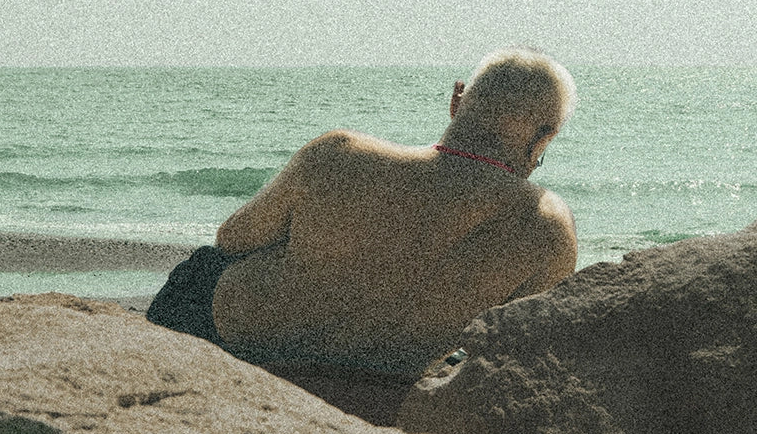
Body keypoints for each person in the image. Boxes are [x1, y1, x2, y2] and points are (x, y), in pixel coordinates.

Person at [147, 48, 578, 377]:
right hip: (387, 371)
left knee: (208, 262)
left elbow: (233, 238)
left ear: (457, 99)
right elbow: (522, 343)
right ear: (547, 136)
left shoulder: (340, 153)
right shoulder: (549, 225)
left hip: (240, 333)